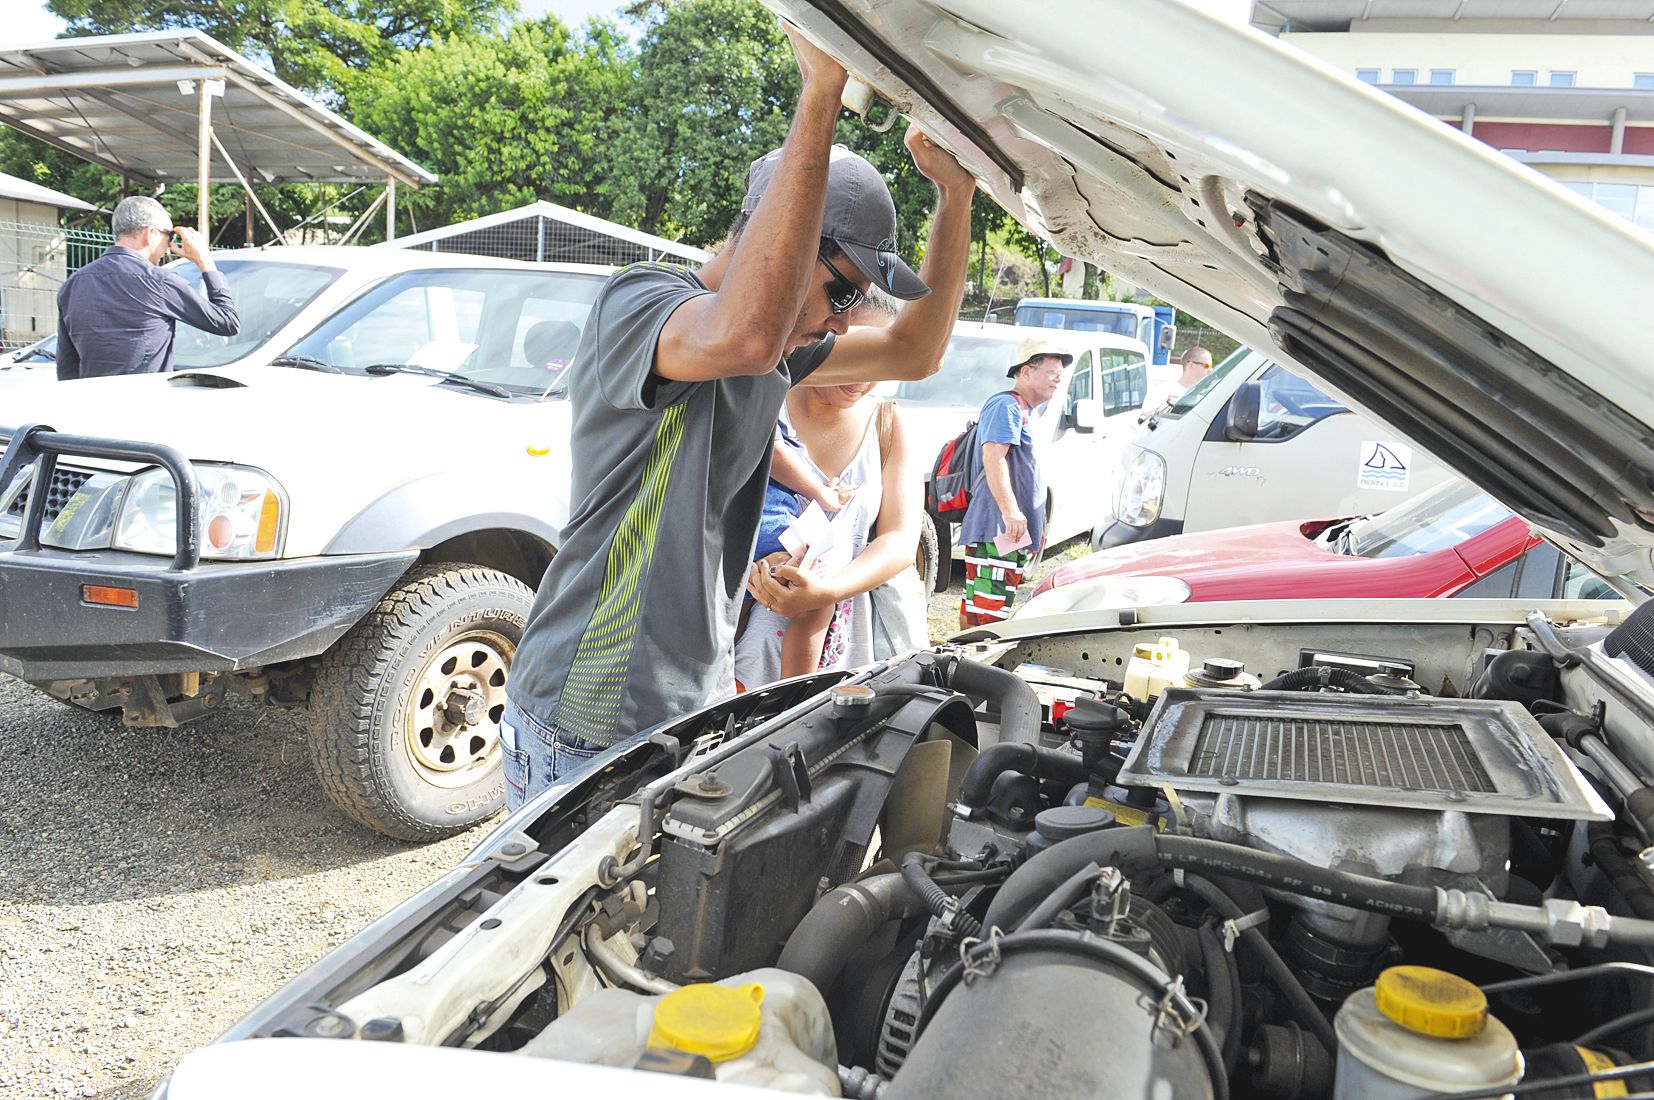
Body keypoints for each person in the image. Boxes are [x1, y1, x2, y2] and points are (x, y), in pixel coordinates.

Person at [499, 28, 973, 808]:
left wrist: (955, 198)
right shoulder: (642, 304)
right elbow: (745, 333)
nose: (843, 322)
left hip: (685, 698)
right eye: (843, 291)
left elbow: (915, 352)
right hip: (588, 705)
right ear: (777, 244)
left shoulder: (780, 355)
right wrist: (820, 90)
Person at [737, 380, 919, 685]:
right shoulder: (760, 400)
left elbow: (900, 539)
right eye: (852, 357)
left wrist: (826, 593)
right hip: (743, 644)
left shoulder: (886, 421)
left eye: (875, 362)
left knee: (815, 718)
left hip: (844, 646)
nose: (862, 378)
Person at [56, 195, 239, 381]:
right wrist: (205, 261)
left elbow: (67, 367)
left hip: (90, 404)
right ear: (150, 233)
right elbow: (227, 322)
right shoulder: (160, 281)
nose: (169, 248)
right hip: (146, 403)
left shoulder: (73, 284)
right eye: (169, 236)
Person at [958, 337, 1069, 629]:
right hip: (997, 530)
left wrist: (1036, 526)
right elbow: (993, 458)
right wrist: (1010, 511)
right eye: (1051, 371)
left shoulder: (1027, 411)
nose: (1057, 379)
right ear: (1025, 372)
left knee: (984, 607)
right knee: (988, 616)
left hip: (1010, 533)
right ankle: (975, 670)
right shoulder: (1006, 406)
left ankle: (966, 667)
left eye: (1060, 373)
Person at [1137, 345, 1213, 422]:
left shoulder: (1204, 397)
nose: (1210, 370)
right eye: (1207, 365)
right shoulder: (1161, 391)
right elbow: (1145, 419)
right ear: (1191, 365)